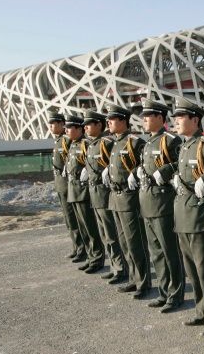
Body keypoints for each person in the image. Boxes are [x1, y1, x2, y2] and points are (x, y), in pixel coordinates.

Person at [172, 96, 204, 336]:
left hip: (201, 215)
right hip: (183, 214)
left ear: (194, 120)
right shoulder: (184, 146)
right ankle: (201, 310)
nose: (177, 121)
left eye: (181, 117)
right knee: (192, 269)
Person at [137, 99, 186, 313]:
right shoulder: (148, 142)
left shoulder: (171, 140)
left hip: (164, 203)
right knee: (156, 252)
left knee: (169, 251)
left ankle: (175, 294)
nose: (144, 119)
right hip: (147, 202)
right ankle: (164, 291)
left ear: (160, 117)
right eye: (143, 116)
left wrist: (165, 170)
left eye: (148, 115)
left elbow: (181, 162)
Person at [103, 105, 152, 298]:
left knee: (135, 241)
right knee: (124, 242)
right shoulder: (115, 143)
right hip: (116, 197)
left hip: (130, 198)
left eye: (112, 119)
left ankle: (143, 282)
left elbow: (144, 163)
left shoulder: (135, 142)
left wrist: (134, 172)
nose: (108, 123)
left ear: (123, 121)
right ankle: (134, 278)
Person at [82, 110, 128, 284]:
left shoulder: (107, 142)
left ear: (98, 125)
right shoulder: (92, 144)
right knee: (105, 234)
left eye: (89, 124)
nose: (85, 127)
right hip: (95, 194)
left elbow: (116, 165)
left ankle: (121, 268)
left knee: (112, 234)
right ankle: (115, 266)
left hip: (106, 193)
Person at [64, 115, 105, 273]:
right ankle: (90, 256)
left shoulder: (85, 143)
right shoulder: (73, 144)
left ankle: (96, 257)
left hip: (83, 191)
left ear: (78, 129)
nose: (66, 130)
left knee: (90, 227)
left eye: (69, 128)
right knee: (82, 227)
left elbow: (93, 163)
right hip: (73, 190)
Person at [49, 112, 85, 261]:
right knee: (68, 219)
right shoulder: (58, 141)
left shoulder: (66, 140)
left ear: (60, 124)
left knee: (74, 218)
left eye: (53, 123)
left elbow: (75, 158)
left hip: (68, 183)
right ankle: (76, 247)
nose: (50, 126)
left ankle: (82, 249)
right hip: (60, 183)